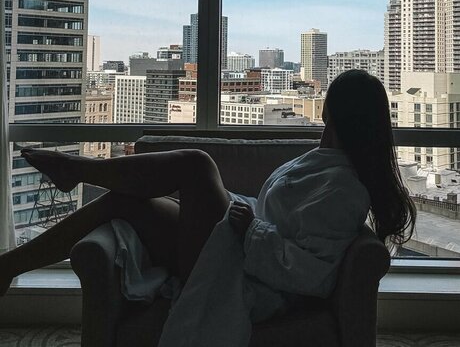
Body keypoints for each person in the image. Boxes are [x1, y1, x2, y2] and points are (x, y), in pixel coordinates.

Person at [0, 69, 416, 346]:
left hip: (248, 272)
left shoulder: (345, 188)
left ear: (338, 111)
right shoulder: (323, 162)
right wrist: (239, 215)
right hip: (240, 244)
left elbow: (312, 275)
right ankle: (9, 265)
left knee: (198, 165)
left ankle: (79, 170)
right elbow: (279, 220)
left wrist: (251, 229)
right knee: (123, 201)